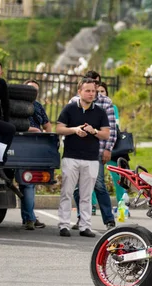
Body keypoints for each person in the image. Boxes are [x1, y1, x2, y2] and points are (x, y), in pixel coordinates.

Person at [56, 78, 110, 238]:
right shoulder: (70, 108)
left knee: (86, 194)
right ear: (79, 91)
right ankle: (64, 225)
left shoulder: (100, 112)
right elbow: (59, 128)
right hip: (71, 157)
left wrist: (93, 131)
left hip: (91, 158)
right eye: (88, 90)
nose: (91, 94)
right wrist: (75, 130)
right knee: (66, 191)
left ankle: (85, 226)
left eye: (93, 91)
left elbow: (106, 133)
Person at [69, 71, 117, 230]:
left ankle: (109, 220)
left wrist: (107, 149)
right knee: (77, 187)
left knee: (99, 185)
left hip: (96, 151)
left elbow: (110, 129)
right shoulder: (74, 102)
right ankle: (81, 218)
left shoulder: (105, 102)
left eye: (95, 86)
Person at [18, 79, 52, 230]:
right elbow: (15, 125)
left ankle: (29, 217)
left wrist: (48, 142)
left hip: (34, 148)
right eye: (30, 89)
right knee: (27, 185)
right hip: (19, 146)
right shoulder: (16, 105)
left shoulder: (38, 107)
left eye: (35, 90)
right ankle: (30, 218)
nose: (33, 93)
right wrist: (33, 130)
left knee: (28, 185)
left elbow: (47, 125)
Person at [97, 82, 127, 204]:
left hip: (112, 146)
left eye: (102, 91)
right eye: (97, 91)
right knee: (94, 178)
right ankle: (92, 204)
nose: (100, 94)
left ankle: (122, 203)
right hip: (95, 146)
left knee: (117, 176)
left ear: (107, 93)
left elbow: (115, 125)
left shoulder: (111, 107)